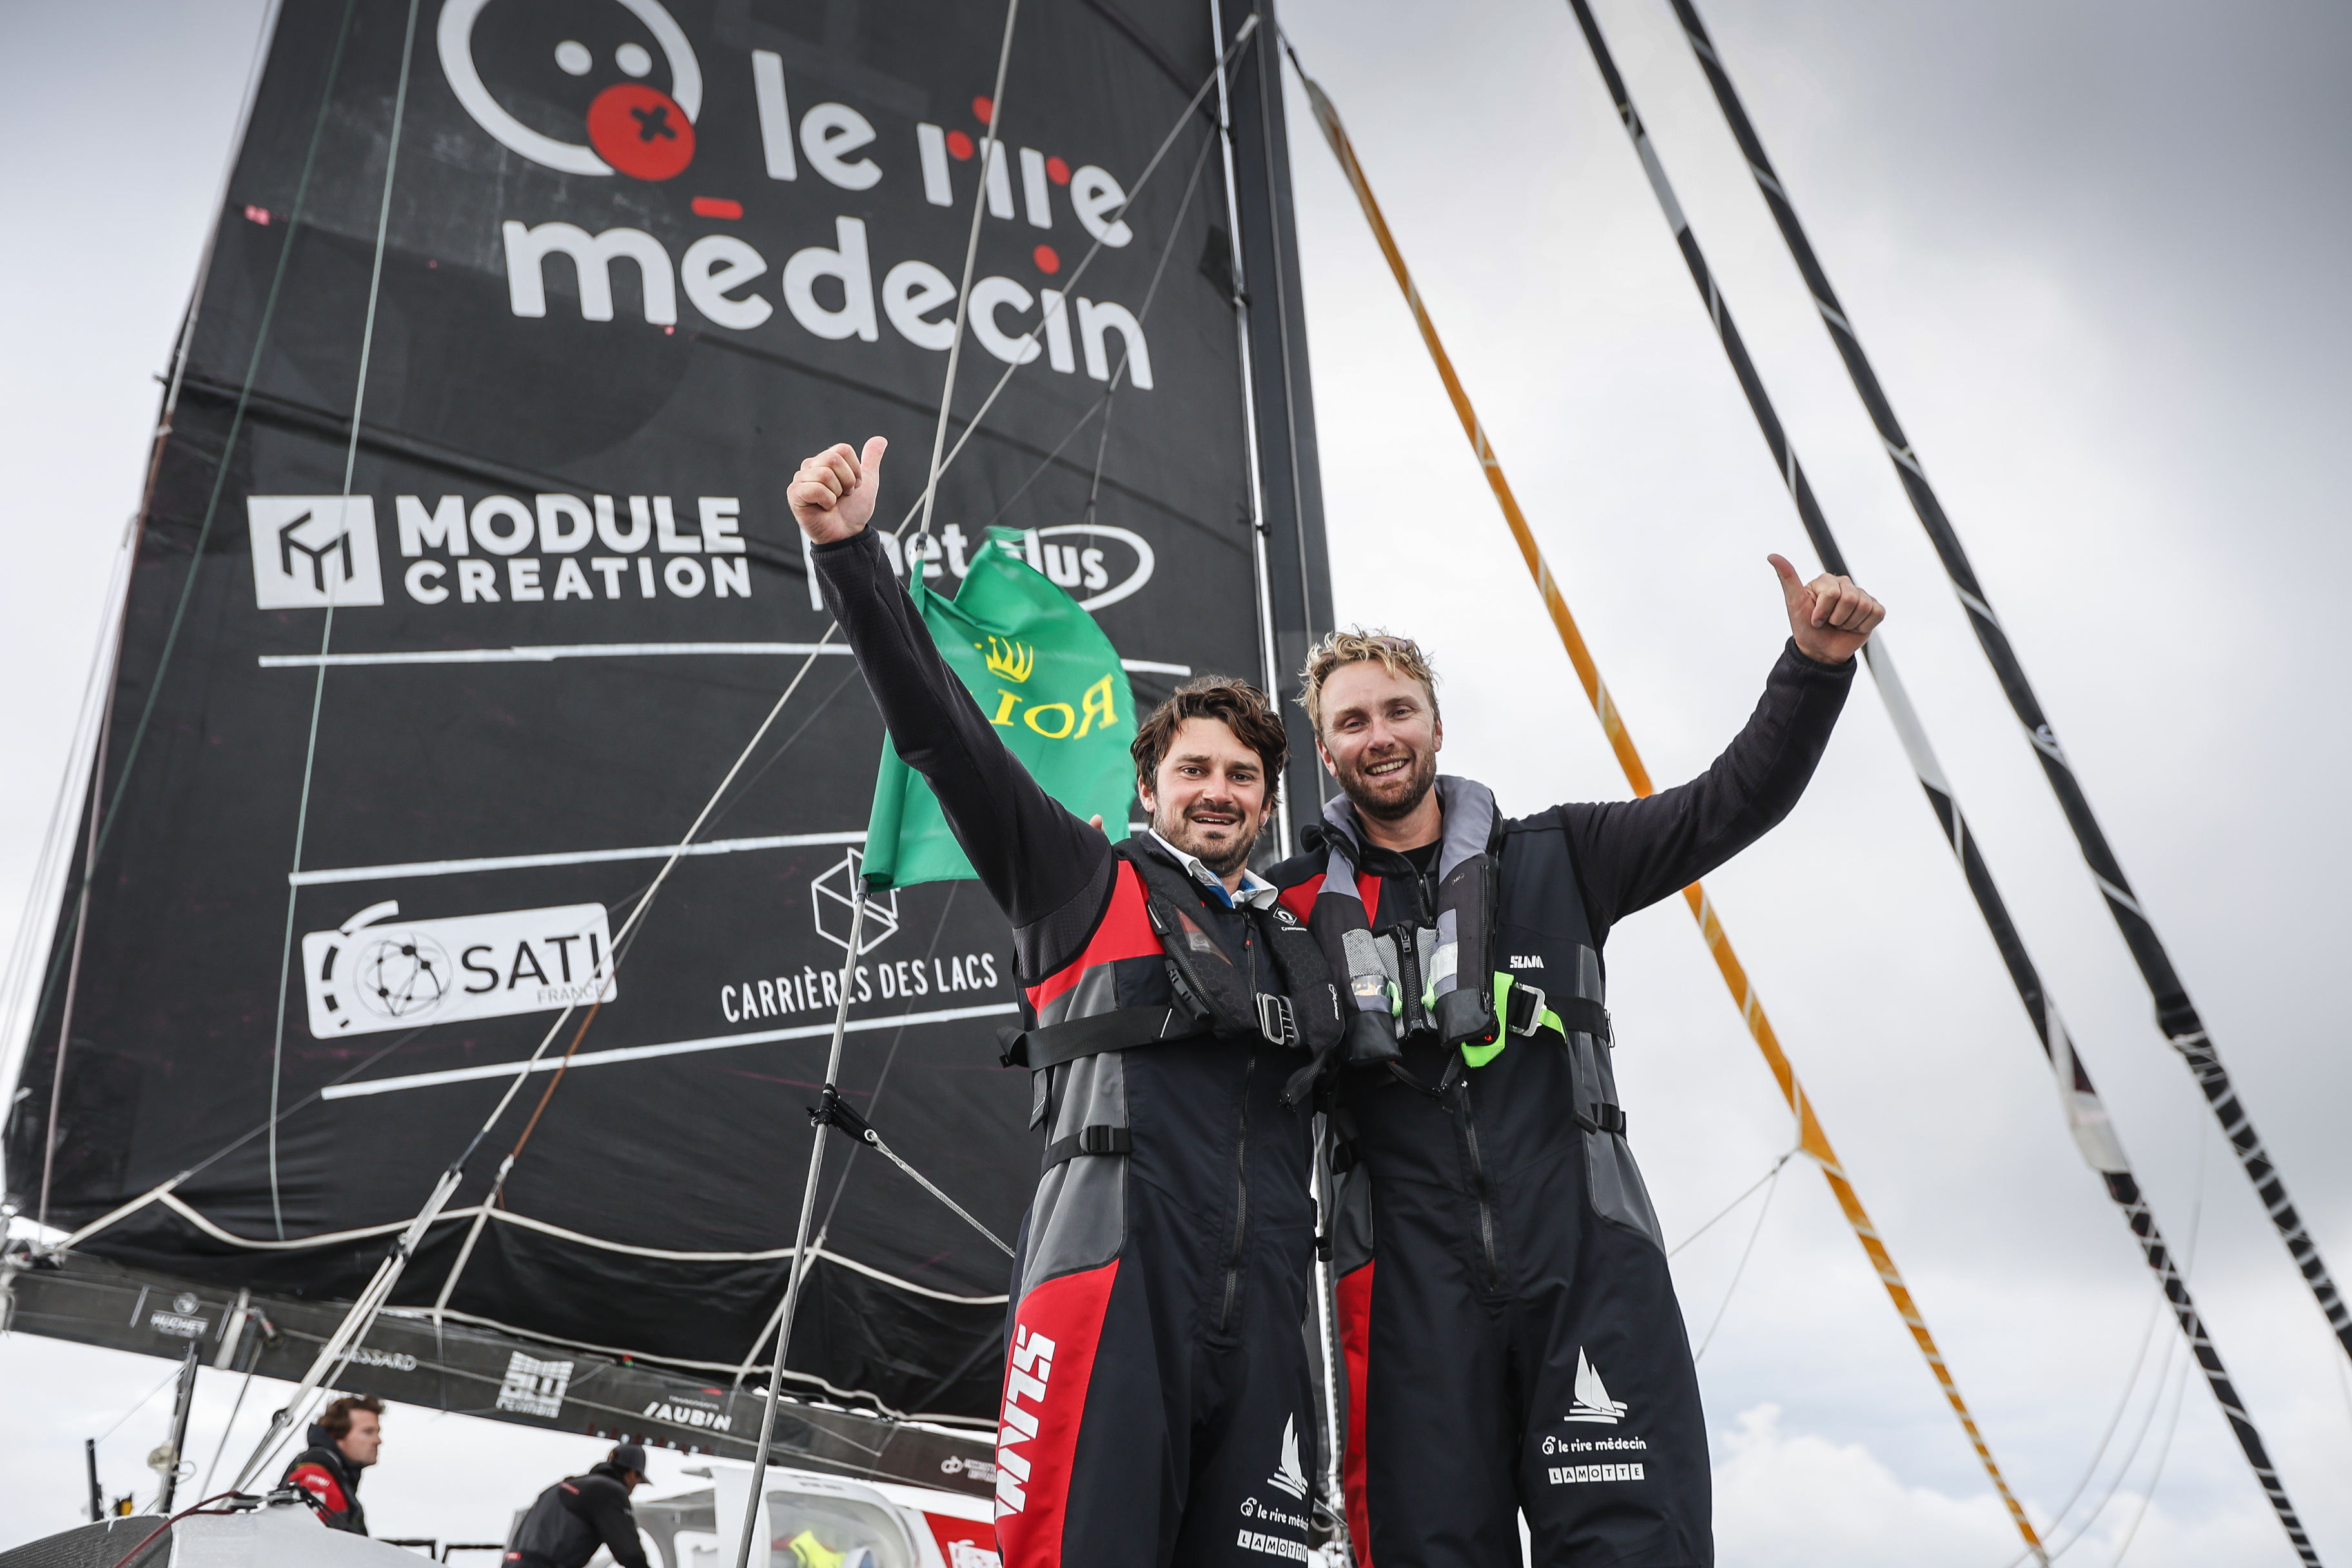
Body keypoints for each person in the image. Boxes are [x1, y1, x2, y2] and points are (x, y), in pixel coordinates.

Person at [789, 437, 1342, 1568]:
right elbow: (939, 731)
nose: (1218, 792)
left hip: (1272, 1321)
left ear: (1268, 802)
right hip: (1111, 1286)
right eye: (1194, 770)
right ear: (1149, 787)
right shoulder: (1076, 879)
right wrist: (849, 553)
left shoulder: (1304, 939)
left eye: (1242, 775)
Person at [1268, 558, 1883, 1567]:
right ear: (1325, 749)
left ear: (1435, 725)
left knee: (1637, 1546)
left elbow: (1730, 803)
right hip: (1405, 1294)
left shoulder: (1563, 857)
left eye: (1398, 710)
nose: (1379, 736)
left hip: (1589, 1261)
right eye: (1352, 722)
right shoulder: (1287, 913)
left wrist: (1812, 666)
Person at [505, 1442, 652, 1568]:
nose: (633, 1489)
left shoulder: (560, 1486)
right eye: (638, 1480)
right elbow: (630, 1554)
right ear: (633, 1473)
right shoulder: (609, 1491)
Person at [281, 1393, 382, 1534]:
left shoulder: (335, 1473)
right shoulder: (316, 1474)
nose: (378, 1441)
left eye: (377, 1432)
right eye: (368, 1432)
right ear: (338, 1435)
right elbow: (304, 1539)